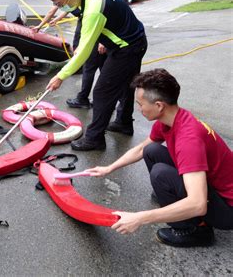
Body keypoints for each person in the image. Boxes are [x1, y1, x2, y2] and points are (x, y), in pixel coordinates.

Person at [86, 69, 233, 247]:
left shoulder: (188, 140)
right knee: (152, 150)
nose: (139, 109)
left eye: (140, 104)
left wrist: (139, 218)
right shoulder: (172, 119)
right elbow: (141, 149)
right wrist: (108, 168)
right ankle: (171, 197)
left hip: (227, 209)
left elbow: (198, 204)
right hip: (212, 187)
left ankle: (197, 230)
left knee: (160, 173)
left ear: (159, 105)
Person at [46, 0, 147, 151]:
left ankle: (94, 139)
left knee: (102, 91)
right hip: (133, 39)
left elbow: (84, 52)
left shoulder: (93, 11)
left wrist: (60, 76)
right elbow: (77, 12)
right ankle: (124, 123)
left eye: (61, 3)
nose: (62, 7)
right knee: (125, 86)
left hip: (128, 48)